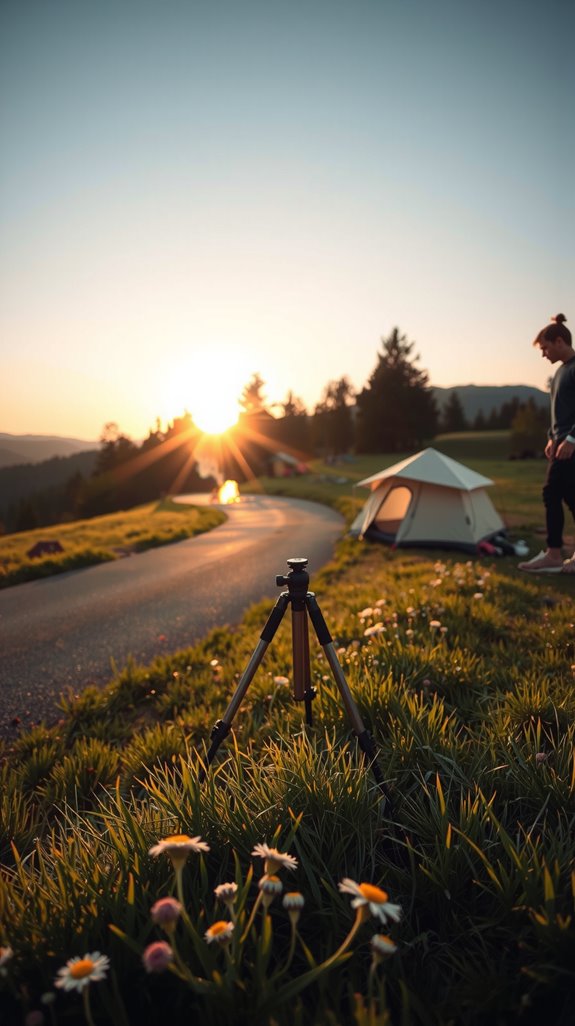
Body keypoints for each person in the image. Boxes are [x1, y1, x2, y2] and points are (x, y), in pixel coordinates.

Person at [518, 313, 575, 573]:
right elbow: (560, 412)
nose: (543, 354)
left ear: (560, 341)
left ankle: (553, 554)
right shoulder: (560, 372)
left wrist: (571, 438)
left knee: (551, 492)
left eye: (545, 348)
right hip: (560, 444)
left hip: (571, 445)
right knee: (570, 497)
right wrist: (551, 437)